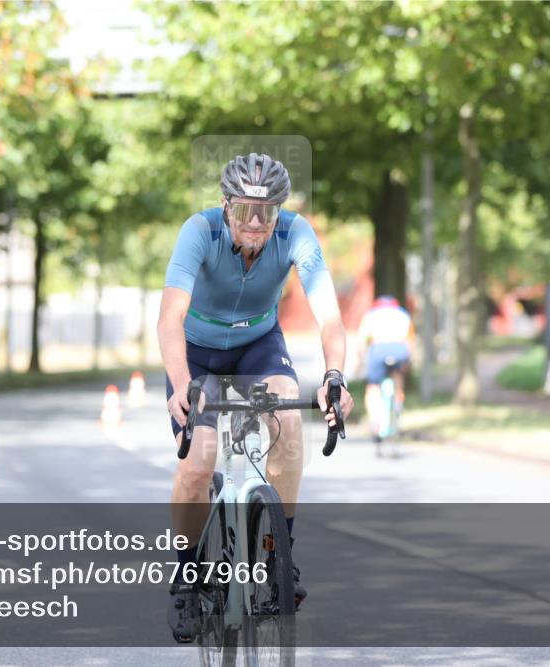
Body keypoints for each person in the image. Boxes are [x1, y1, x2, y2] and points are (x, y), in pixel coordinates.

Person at [158, 152, 354, 643]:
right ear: (226, 205)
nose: (255, 222)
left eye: (266, 212)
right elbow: (170, 317)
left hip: (258, 346)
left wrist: (335, 376)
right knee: (198, 463)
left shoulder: (295, 233)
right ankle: (186, 577)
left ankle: (276, 558)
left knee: (290, 422)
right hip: (197, 354)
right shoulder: (199, 231)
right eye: (245, 209)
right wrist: (181, 382)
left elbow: (330, 317)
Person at [356, 295, 414, 440]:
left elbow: (361, 342)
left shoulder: (370, 315)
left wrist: (360, 363)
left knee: (373, 387)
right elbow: (410, 343)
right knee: (398, 376)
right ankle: (398, 403)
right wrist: (408, 362)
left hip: (378, 350)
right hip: (399, 349)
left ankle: (375, 422)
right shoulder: (403, 315)